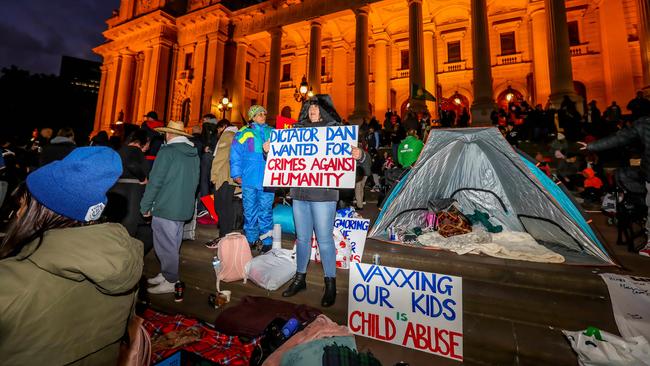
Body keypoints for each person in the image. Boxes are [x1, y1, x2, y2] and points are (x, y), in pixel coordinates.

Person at [0, 147, 143, 365]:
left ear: (38, 211)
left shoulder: (11, 282)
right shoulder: (122, 263)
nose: (17, 212)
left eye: (21, 204)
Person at [281, 95, 366, 307]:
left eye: (317, 108)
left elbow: (365, 160)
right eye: (309, 107)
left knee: (324, 239)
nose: (312, 111)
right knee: (302, 238)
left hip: (324, 195)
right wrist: (269, 151)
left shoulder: (337, 131)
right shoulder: (296, 132)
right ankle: (300, 278)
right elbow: (282, 160)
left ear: (325, 111)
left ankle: (330, 284)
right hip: (300, 194)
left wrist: (360, 155)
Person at [141, 120, 199, 294]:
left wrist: (145, 205)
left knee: (165, 245)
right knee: (173, 243)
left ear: (169, 134)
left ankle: (171, 280)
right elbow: (195, 181)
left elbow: (155, 181)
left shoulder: (167, 151)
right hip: (182, 206)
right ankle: (167, 274)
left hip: (166, 205)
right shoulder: (193, 153)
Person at [580, 117, 650, 256]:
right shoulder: (645, 123)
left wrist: (591, 146)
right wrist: (592, 146)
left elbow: (621, 137)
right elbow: (621, 137)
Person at [230, 105, 274, 252]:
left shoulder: (272, 132)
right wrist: (236, 174)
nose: (262, 116)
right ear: (252, 117)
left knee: (266, 210)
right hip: (249, 178)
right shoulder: (244, 133)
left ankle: (267, 240)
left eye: (264, 113)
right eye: (259, 114)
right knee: (249, 210)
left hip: (268, 179)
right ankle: (251, 239)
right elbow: (235, 154)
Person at [105, 129, 153, 254]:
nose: (148, 147)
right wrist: (143, 178)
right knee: (129, 227)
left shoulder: (120, 151)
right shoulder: (135, 151)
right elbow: (132, 165)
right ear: (142, 142)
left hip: (116, 190)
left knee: (117, 226)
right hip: (131, 192)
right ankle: (125, 256)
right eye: (148, 143)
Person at [209, 119, 240, 242]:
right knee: (227, 206)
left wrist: (214, 175)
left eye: (218, 129)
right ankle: (226, 234)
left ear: (224, 126)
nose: (218, 131)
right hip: (232, 176)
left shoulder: (227, 134)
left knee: (220, 206)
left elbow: (220, 157)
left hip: (223, 175)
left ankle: (224, 235)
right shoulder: (238, 135)